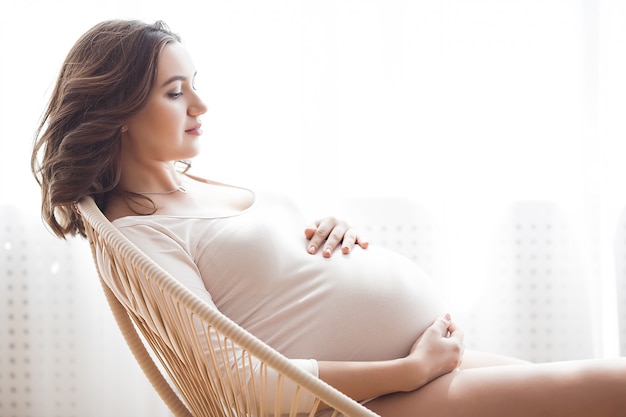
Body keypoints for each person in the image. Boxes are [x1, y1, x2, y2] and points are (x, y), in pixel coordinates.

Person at [31, 19, 626, 417]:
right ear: (118, 113)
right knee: (609, 388)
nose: (202, 106)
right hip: (372, 400)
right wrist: (406, 368)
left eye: (195, 86)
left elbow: (271, 280)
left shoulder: (195, 187)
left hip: (423, 372)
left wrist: (326, 236)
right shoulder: (138, 235)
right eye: (176, 91)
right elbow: (244, 382)